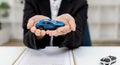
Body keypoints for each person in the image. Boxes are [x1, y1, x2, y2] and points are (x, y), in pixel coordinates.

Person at [23, 0, 88, 49]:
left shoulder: (80, 2)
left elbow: (78, 39)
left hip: (66, 53)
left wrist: (65, 32)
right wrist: (37, 36)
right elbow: (26, 39)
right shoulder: (31, 1)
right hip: (39, 55)